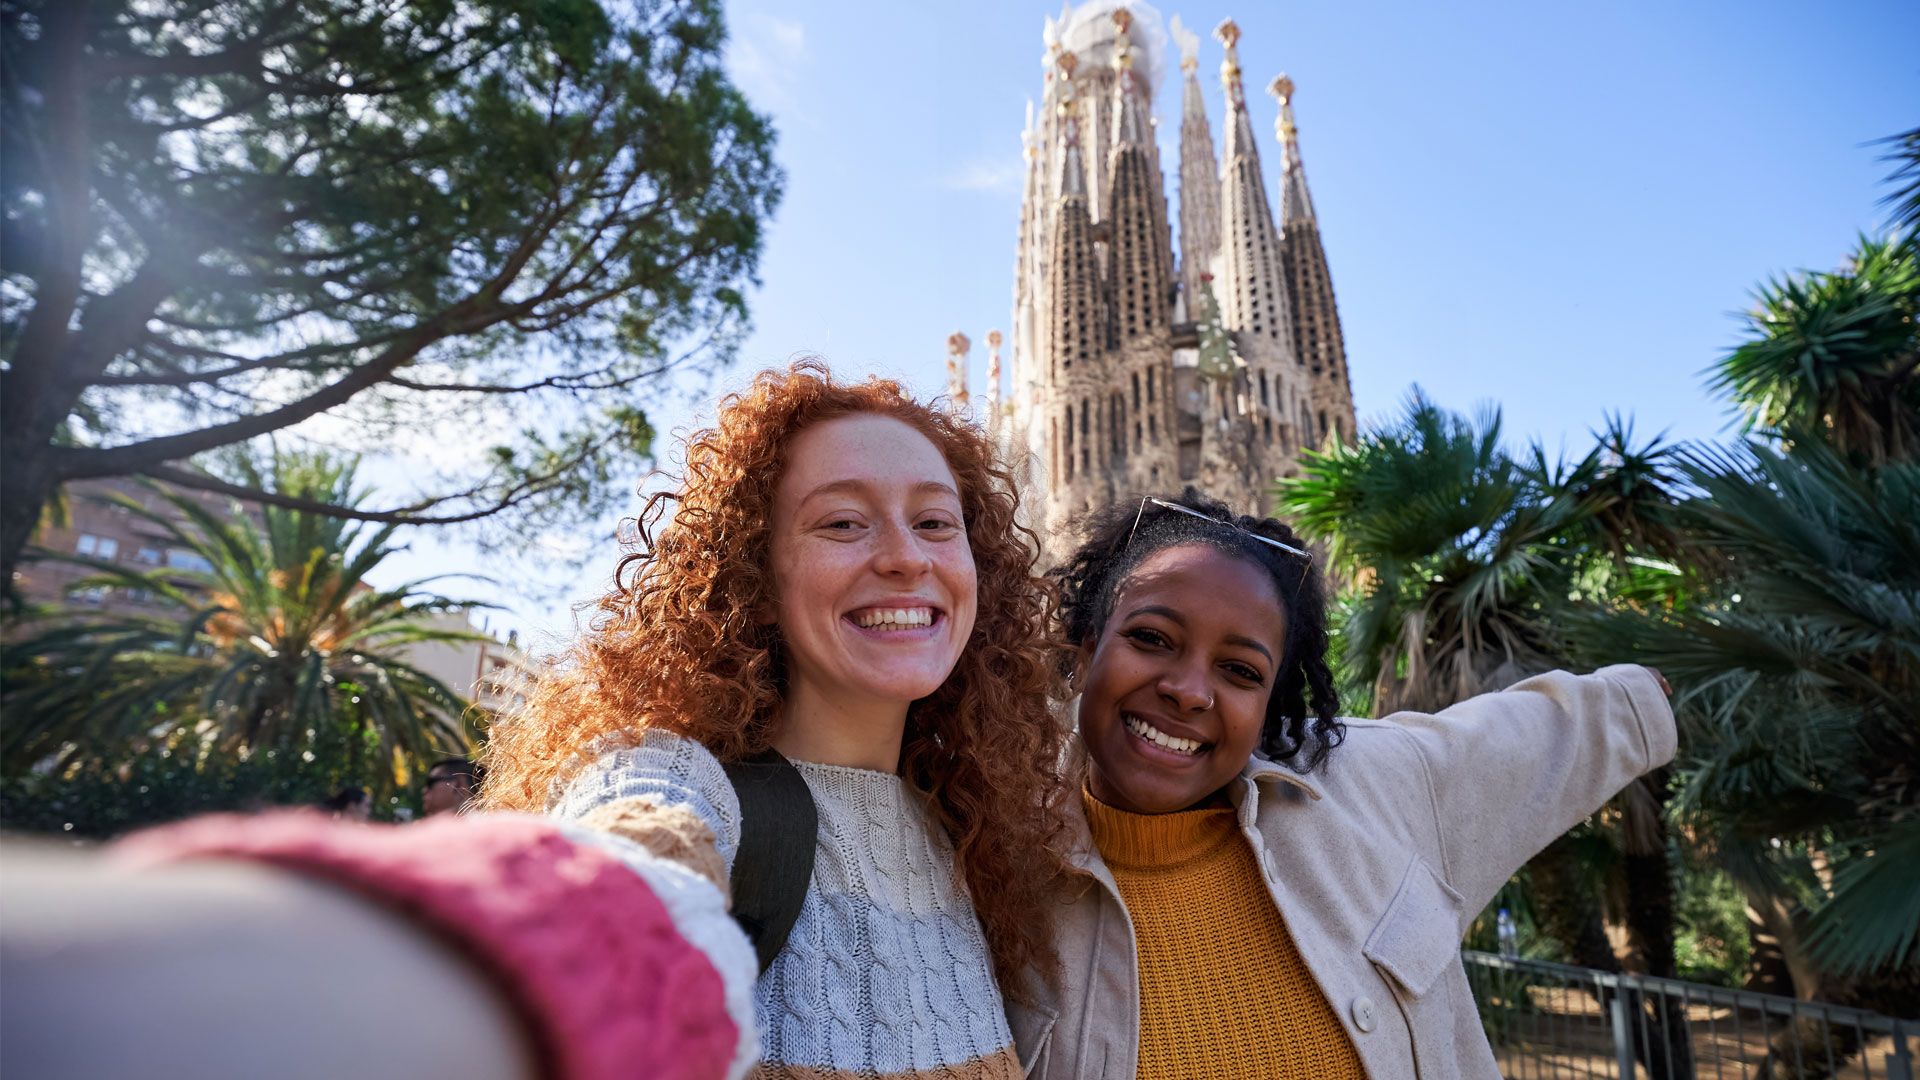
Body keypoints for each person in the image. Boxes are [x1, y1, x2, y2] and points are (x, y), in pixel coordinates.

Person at [482, 360, 1074, 1078]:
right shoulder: (683, 780)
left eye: (934, 522)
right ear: (755, 585)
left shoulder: (975, 843)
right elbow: (627, 854)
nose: (906, 556)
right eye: (843, 522)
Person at [1005, 489, 1676, 1080]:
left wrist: (1669, 687)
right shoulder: (993, 865)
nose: (1187, 692)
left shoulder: (1377, 784)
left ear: (1272, 703)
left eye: (1240, 671)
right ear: (1086, 647)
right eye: (1152, 638)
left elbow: (1567, 725)